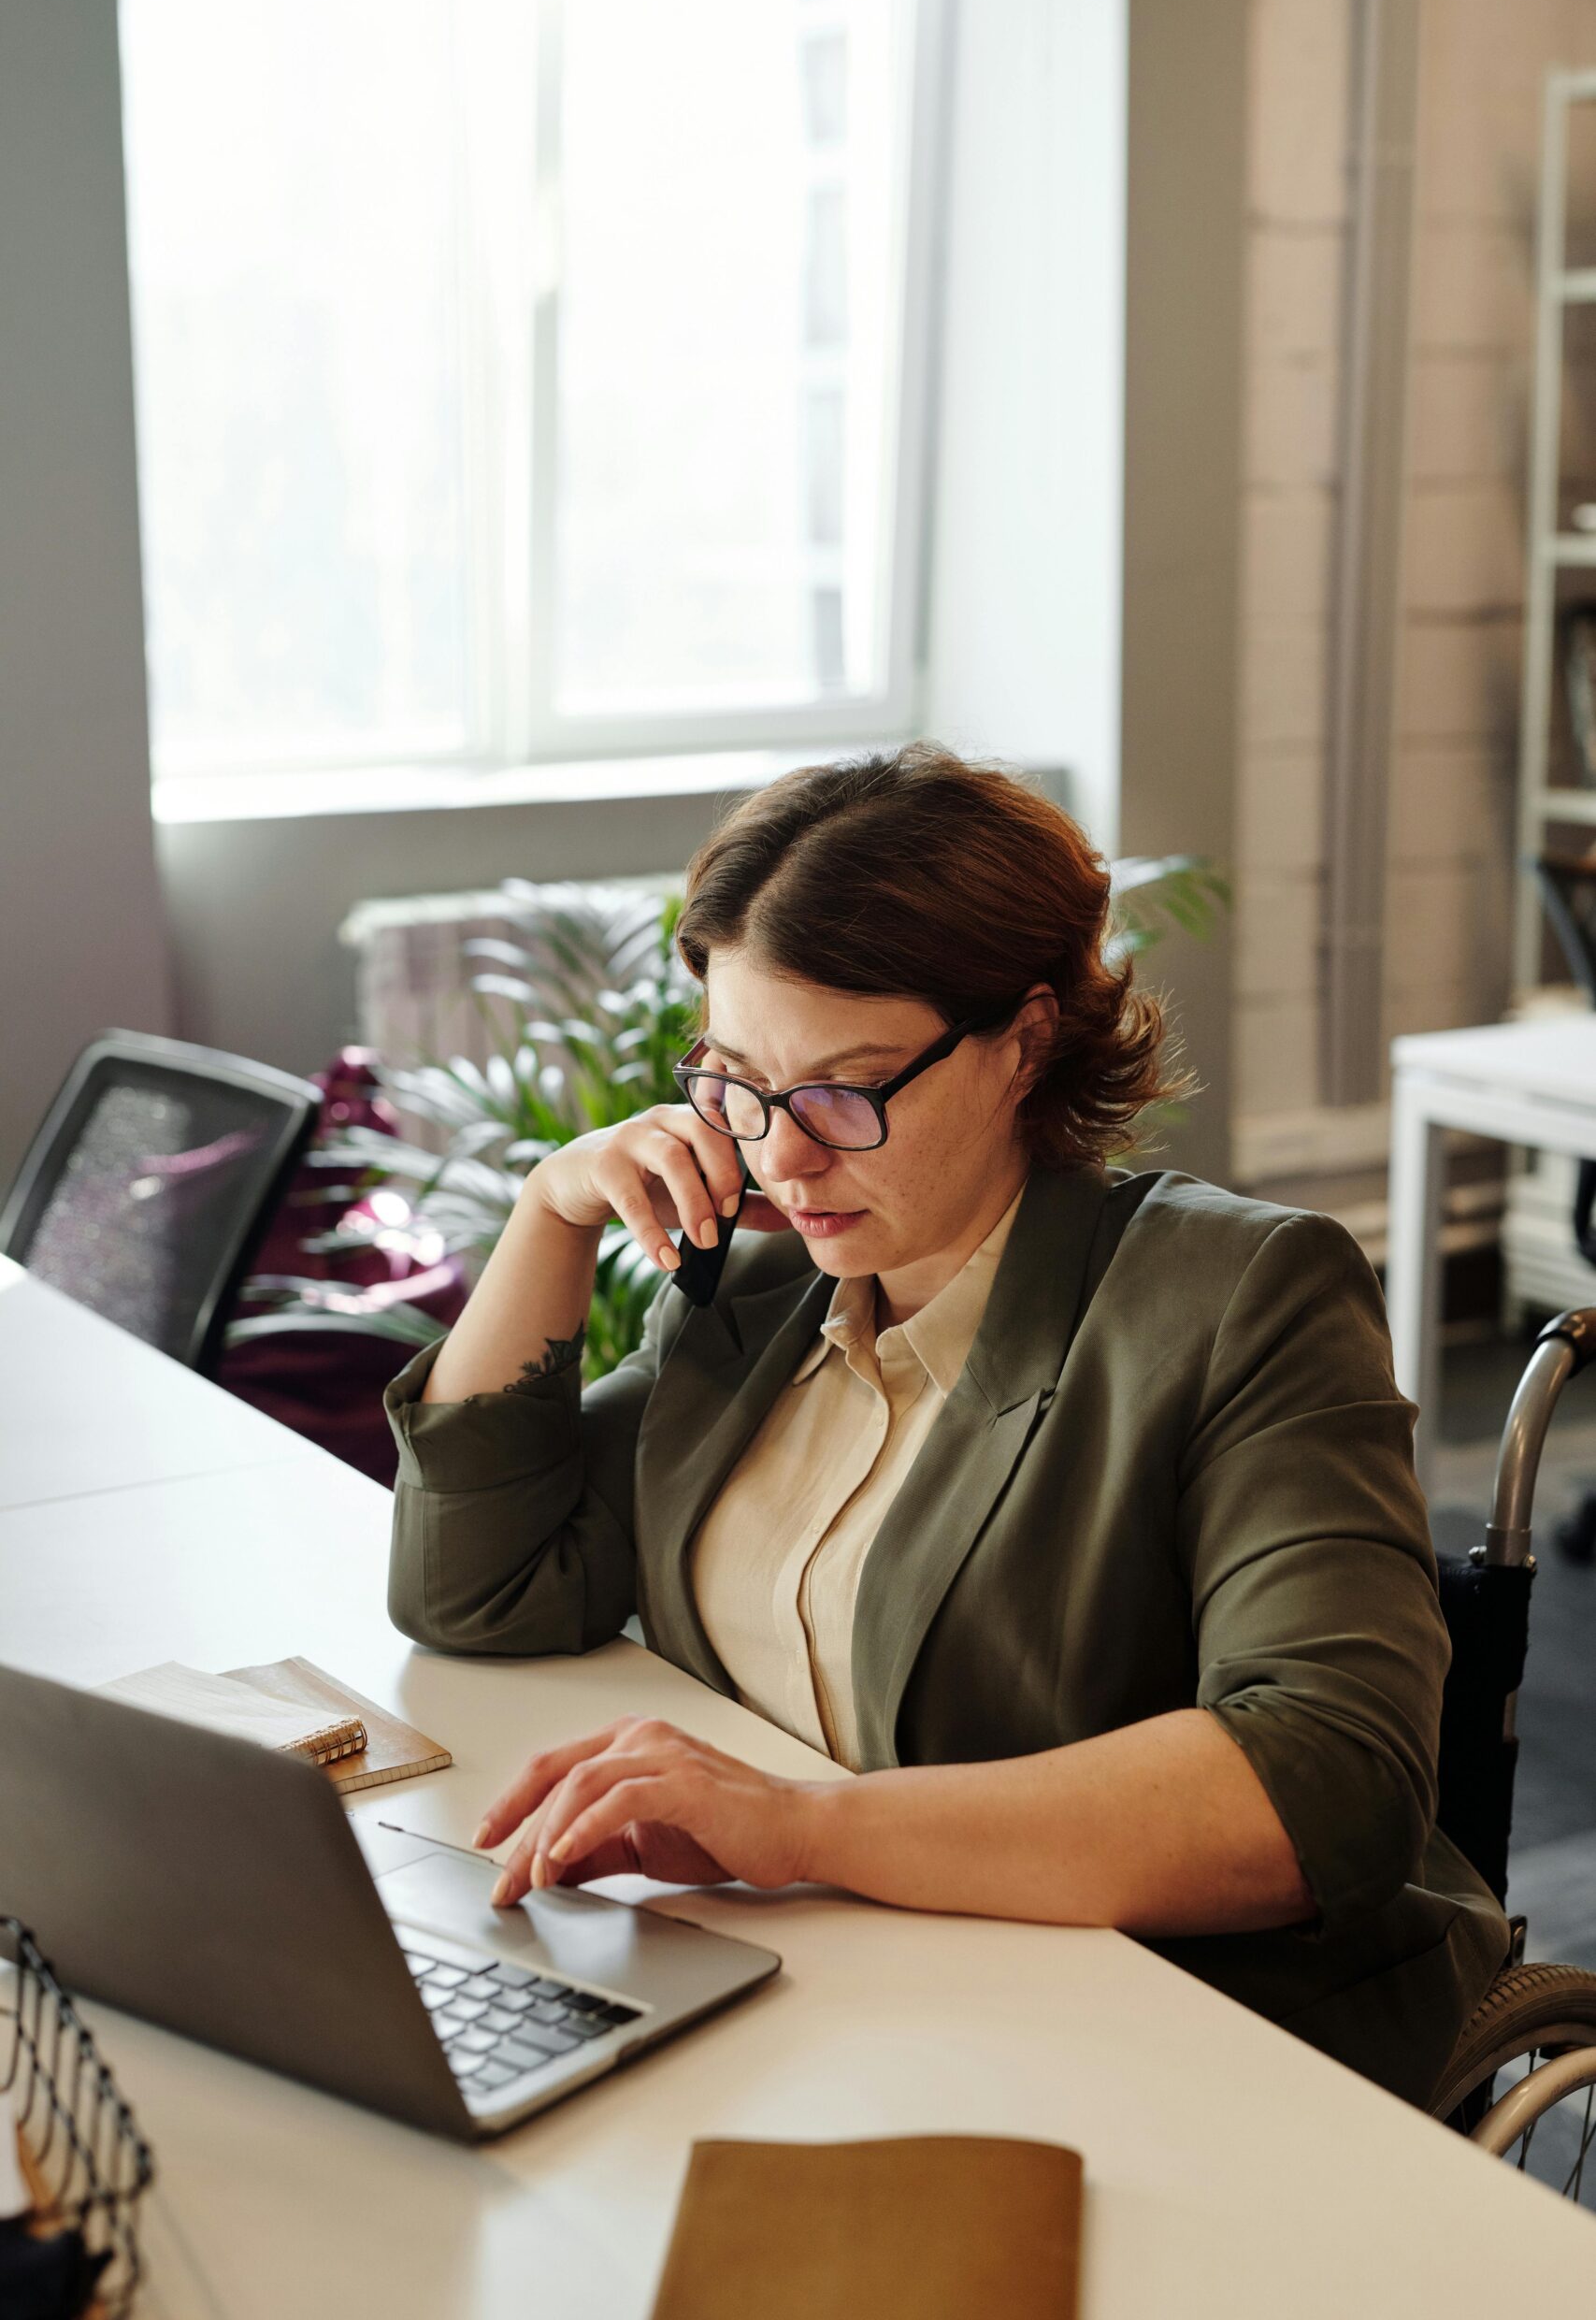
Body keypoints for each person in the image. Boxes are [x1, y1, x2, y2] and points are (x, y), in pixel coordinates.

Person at [382, 743, 1507, 2106]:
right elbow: (481, 1589)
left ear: (1023, 1042)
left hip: (1161, 2048)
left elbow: (1329, 1780)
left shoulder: (1236, 1296)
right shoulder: (759, 1285)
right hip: (825, 2004)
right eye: (735, 1081)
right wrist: (547, 1216)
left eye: (845, 1092)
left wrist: (805, 1828)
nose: (782, 1156)